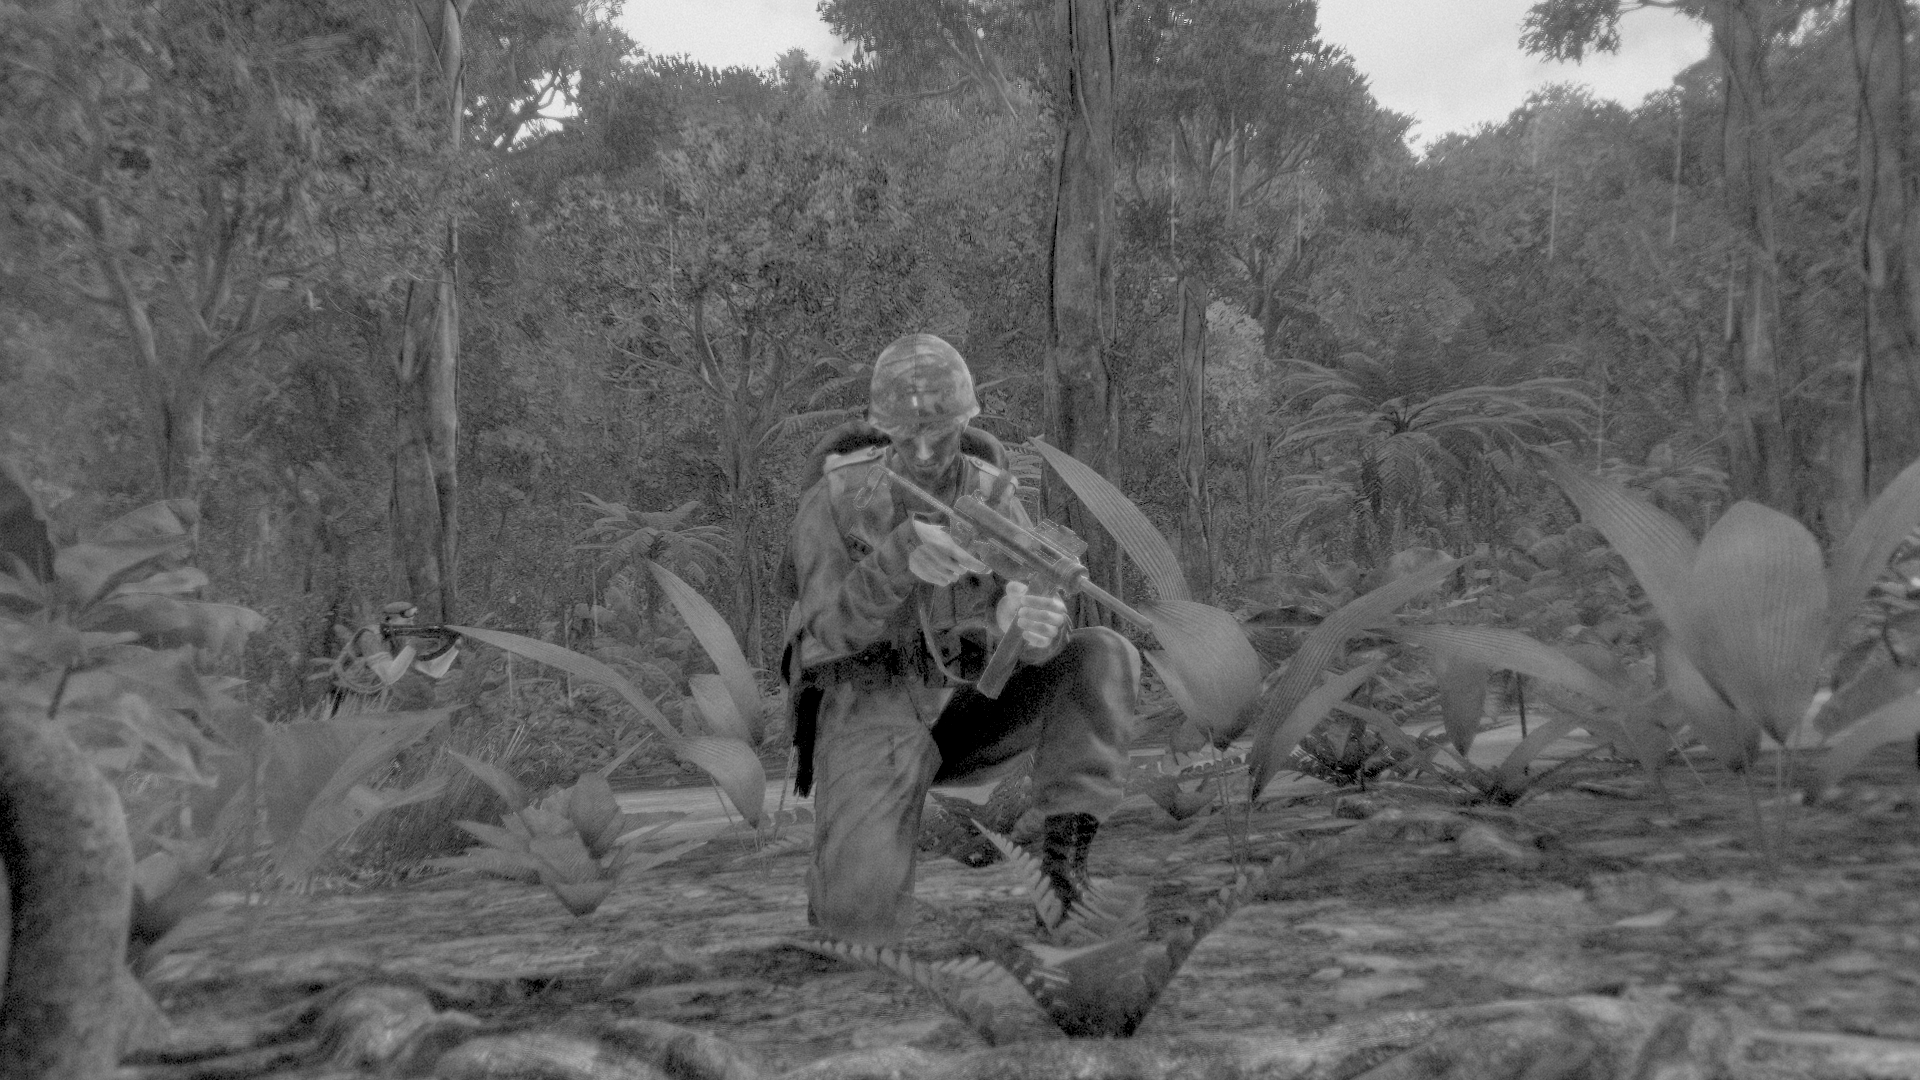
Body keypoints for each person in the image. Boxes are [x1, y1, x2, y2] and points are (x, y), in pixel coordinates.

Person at [777, 333, 1141, 946]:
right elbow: (823, 636)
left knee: (1103, 655)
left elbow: (1037, 618)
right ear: (879, 427)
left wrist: (1028, 623)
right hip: (872, 706)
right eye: (905, 434)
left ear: (967, 421)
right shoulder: (837, 502)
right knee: (857, 929)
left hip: (973, 701)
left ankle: (1063, 876)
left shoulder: (993, 493)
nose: (924, 451)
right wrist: (900, 560)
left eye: (941, 432)